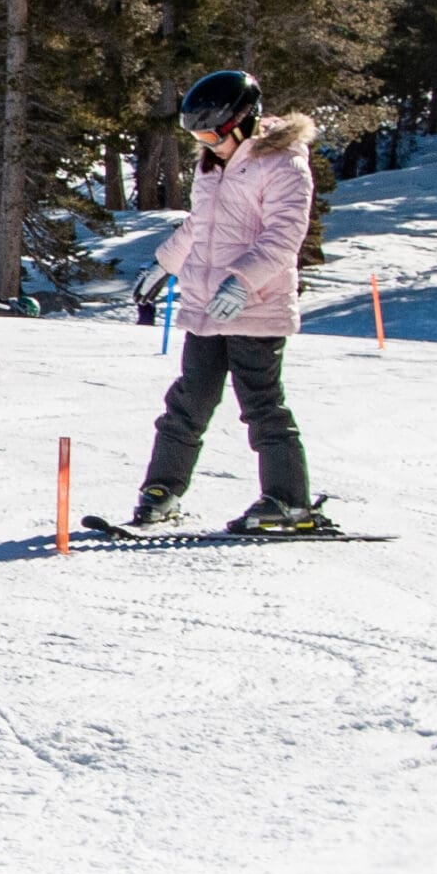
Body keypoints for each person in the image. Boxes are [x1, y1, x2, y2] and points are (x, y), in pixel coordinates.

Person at [130, 70, 329, 533]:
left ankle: (288, 501)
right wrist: (164, 265)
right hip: (205, 306)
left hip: (256, 307)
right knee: (188, 402)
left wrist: (241, 282)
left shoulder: (282, 162)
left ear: (242, 120)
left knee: (261, 404)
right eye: (197, 136)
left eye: (210, 134)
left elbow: (285, 237)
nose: (205, 143)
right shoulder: (211, 164)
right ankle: (162, 490)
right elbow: (200, 226)